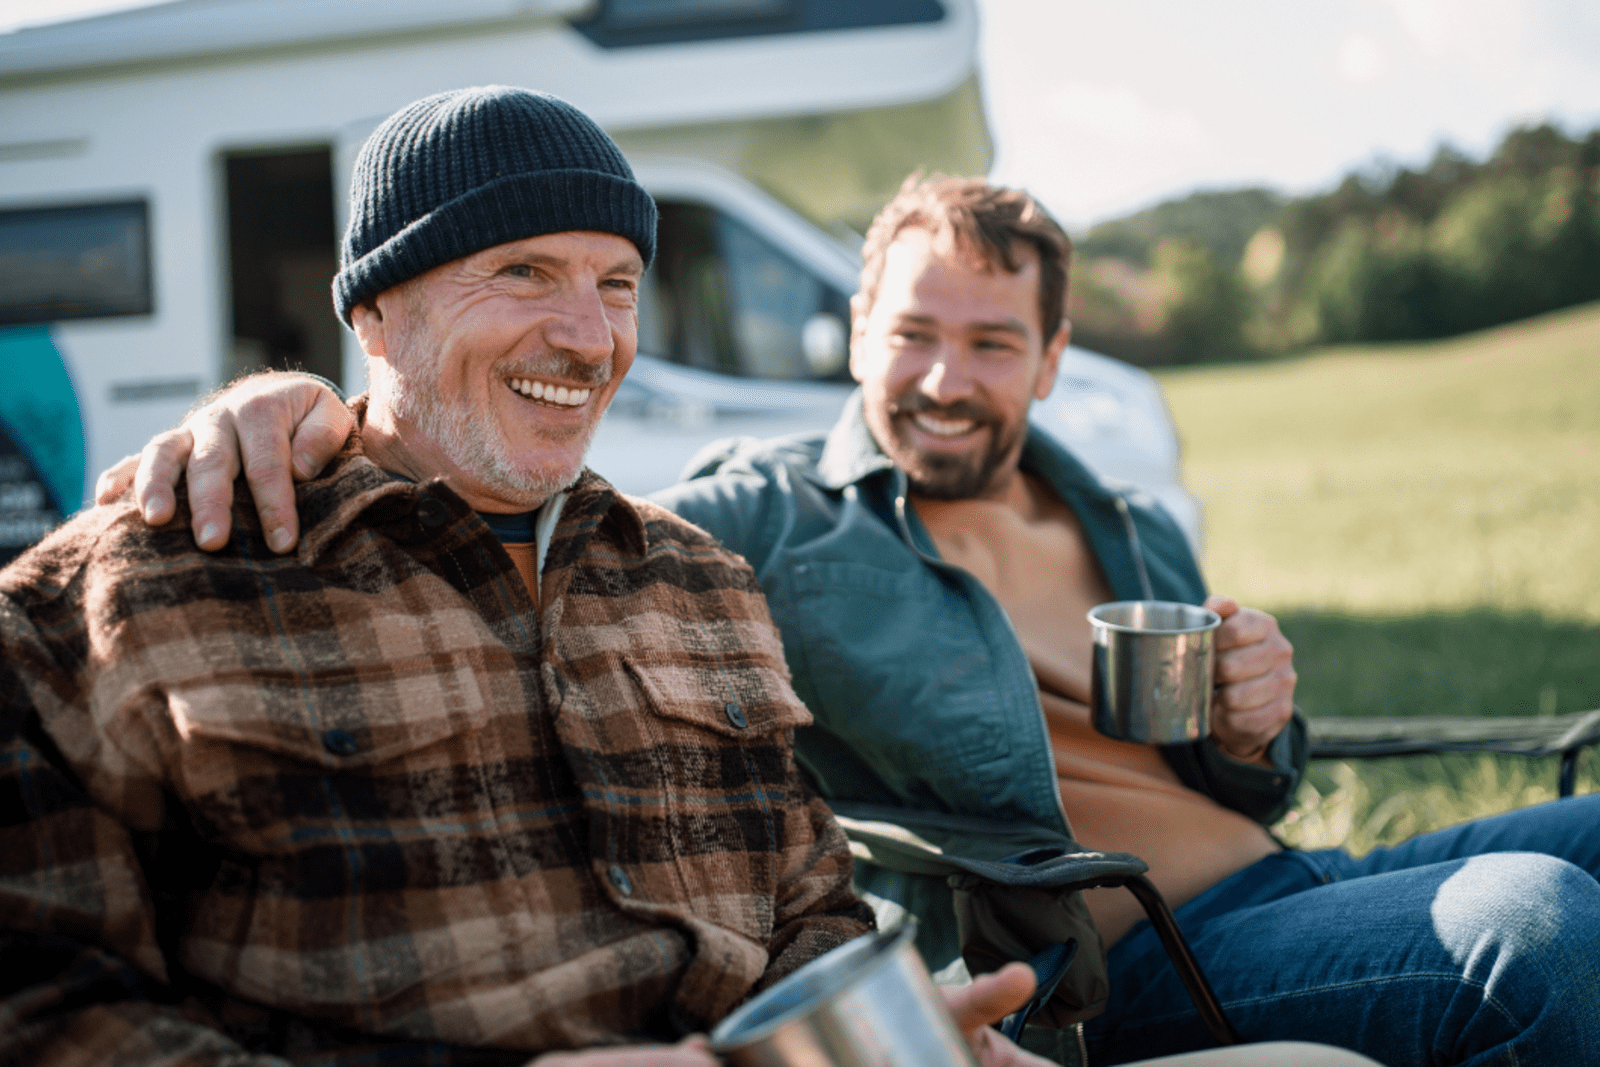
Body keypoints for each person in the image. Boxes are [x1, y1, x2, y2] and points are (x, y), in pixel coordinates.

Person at [100, 175, 1600, 1066]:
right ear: (859, 338)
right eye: (913, 335)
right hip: (1127, 946)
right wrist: (292, 405)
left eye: (991, 342)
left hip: (1289, 878)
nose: (947, 377)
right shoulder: (767, 513)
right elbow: (524, 464)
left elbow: (1240, 787)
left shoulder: (1119, 518)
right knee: (1540, 928)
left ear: (1052, 359)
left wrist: (1261, 726)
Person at [0, 89, 1075, 1067]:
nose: (586, 337)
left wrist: (896, 1040)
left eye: (616, 284)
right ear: (372, 313)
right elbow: (47, 1012)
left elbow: (810, 917)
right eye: (522, 270)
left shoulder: (699, 581)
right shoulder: (118, 601)